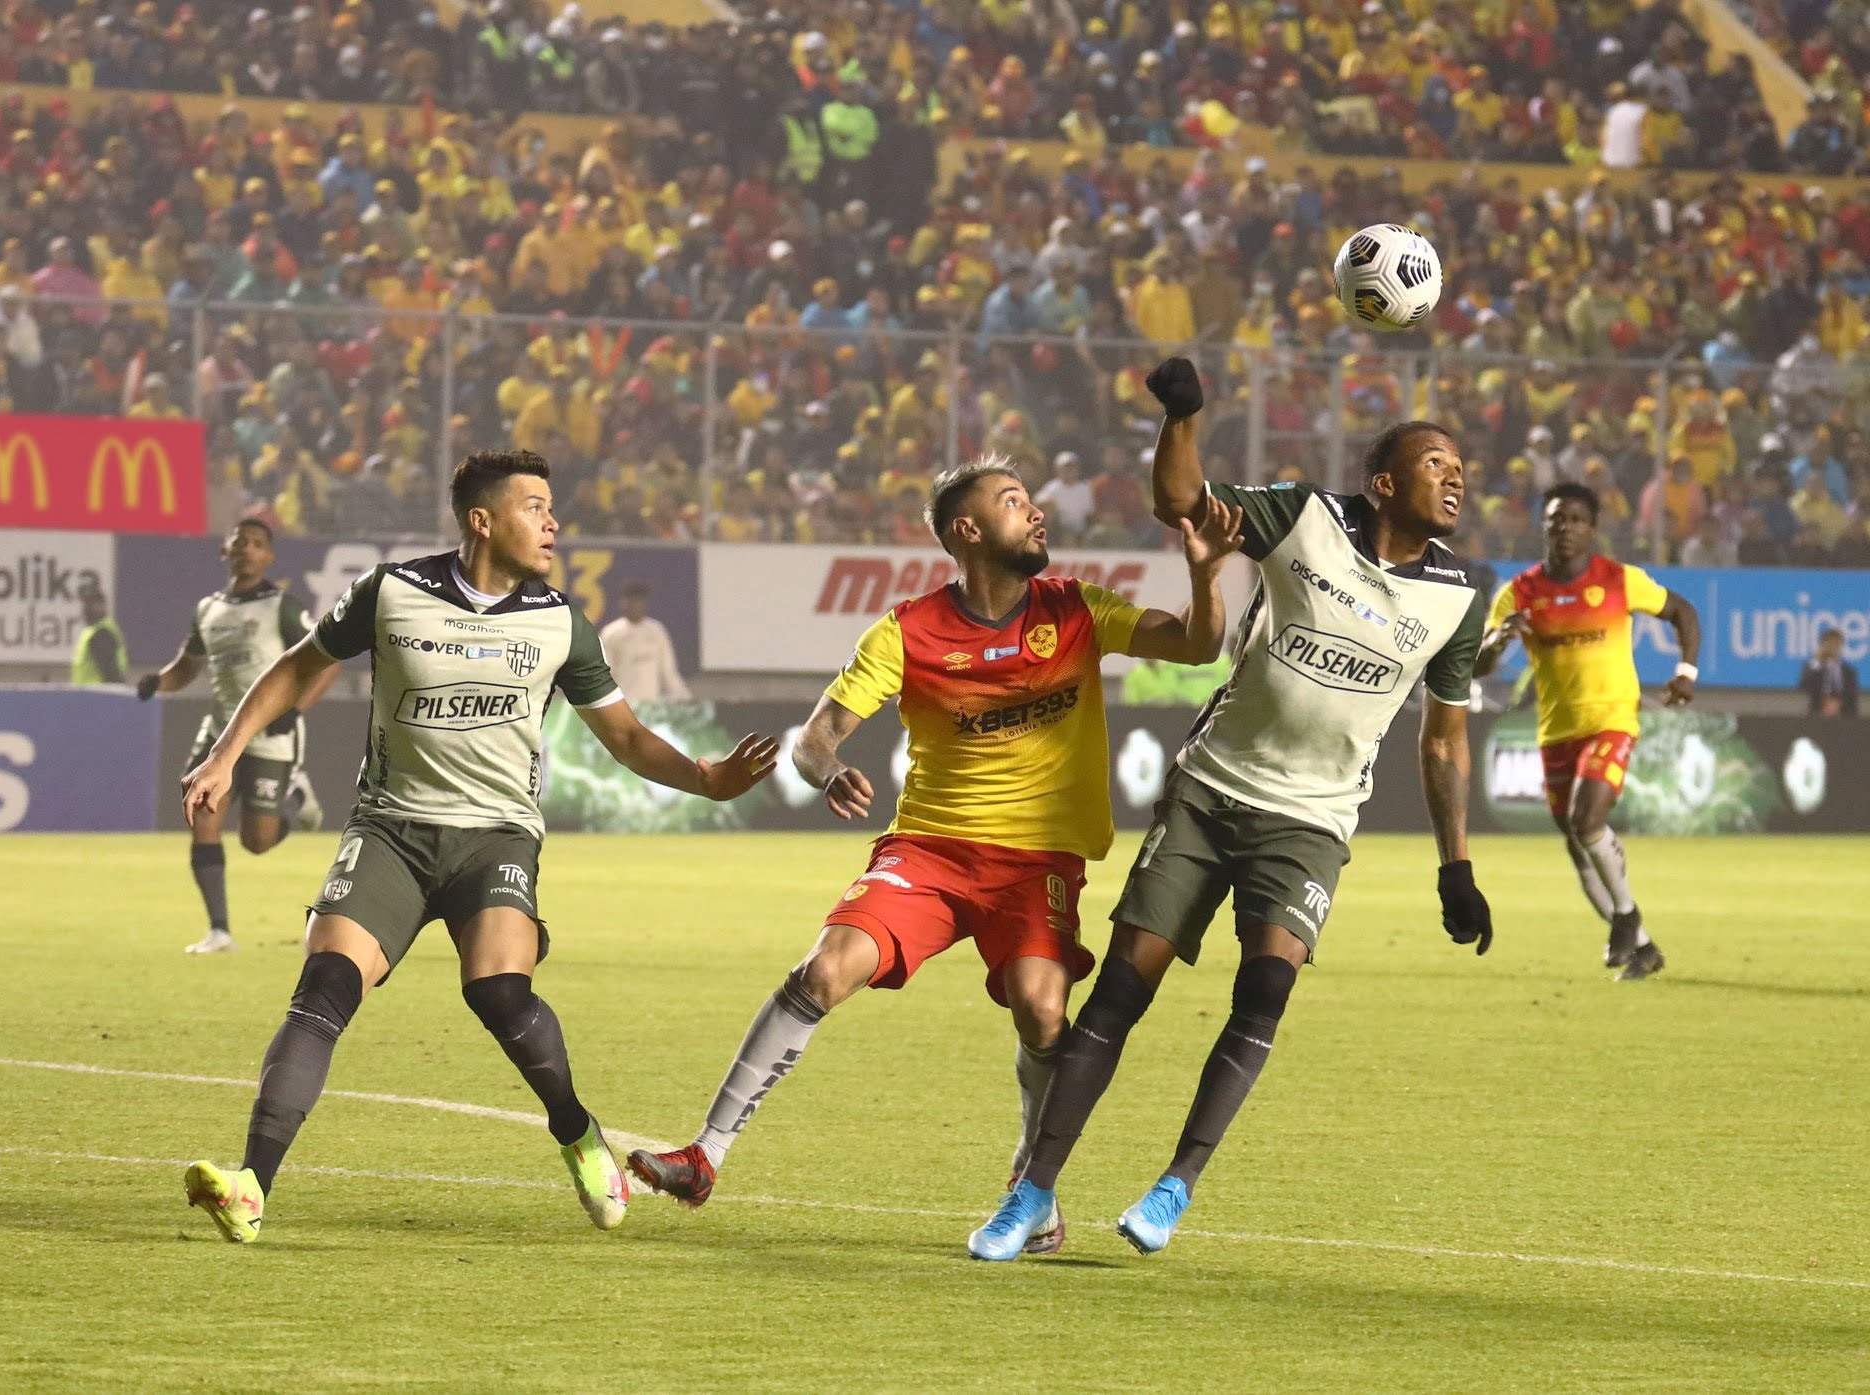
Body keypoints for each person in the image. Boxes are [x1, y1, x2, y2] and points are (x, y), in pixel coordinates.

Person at [627, 451, 1232, 1253]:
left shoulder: (1075, 607)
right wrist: (830, 769)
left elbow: (1198, 644)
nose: (1038, 511)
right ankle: (707, 1153)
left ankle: (1031, 1188)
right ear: (969, 530)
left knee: (1044, 1010)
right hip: (931, 852)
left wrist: (1203, 576)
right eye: (1016, 501)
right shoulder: (908, 630)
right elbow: (815, 740)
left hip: (1038, 862)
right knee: (823, 969)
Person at [968, 358, 1496, 1263]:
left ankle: (1174, 1187)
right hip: (1211, 793)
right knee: (1121, 994)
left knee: (1265, 991)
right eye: (1435, 463)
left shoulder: (1459, 594)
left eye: (1460, 467)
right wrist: (1183, 414)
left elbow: (1443, 738)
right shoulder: (1307, 520)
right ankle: (1032, 1192)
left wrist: (1456, 865)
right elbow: (1183, 500)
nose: (1455, 477)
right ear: (1382, 483)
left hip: (1312, 824)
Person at [178, 450, 778, 1243]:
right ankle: (252, 1185)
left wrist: (707, 778)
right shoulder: (392, 592)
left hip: (495, 835)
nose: (553, 522)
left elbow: (626, 735)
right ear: (482, 519)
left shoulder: (561, 620)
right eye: (535, 506)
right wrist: (224, 753)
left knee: (498, 992)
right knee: (323, 986)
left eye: (551, 506)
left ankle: (577, 1131)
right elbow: (296, 669)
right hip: (390, 830)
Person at [1474, 483, 1701, 979]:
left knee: (1587, 819)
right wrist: (1495, 642)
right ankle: (1642, 946)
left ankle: (1626, 917)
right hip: (1557, 731)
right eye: (1557, 518)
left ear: (1592, 528)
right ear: (1544, 525)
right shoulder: (1518, 593)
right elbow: (1479, 667)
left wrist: (1686, 671)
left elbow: (1684, 612)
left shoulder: (1618, 580)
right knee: (1578, 844)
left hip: (1612, 718)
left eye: (1577, 519)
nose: (1566, 527)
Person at [136, 519, 335, 955]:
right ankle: (219, 931)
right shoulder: (208, 609)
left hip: (271, 735)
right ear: (224, 551)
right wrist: (158, 683)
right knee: (202, 817)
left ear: (269, 557)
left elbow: (329, 660)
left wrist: (296, 710)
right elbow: (187, 666)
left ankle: (297, 799)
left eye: (257, 544)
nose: (246, 549)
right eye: (239, 541)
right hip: (220, 734)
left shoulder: (282, 606)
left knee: (257, 842)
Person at [597, 581, 689, 702]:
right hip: (624, 705)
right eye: (631, 600)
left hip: (651, 706)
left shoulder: (657, 631)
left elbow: (668, 671)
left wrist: (684, 696)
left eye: (639, 600)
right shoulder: (611, 633)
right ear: (623, 603)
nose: (635, 605)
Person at [70, 581, 127, 684]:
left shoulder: (101, 634)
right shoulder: (91, 632)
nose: (86, 609)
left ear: (102, 606)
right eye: (85, 604)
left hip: (97, 696)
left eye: (91, 605)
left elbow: (111, 674)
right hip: (88, 696)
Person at [1800, 628, 1859, 717]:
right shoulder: (1814, 667)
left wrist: (1838, 705)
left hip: (1844, 717)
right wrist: (1817, 660)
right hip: (1817, 715)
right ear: (1823, 645)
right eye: (1830, 644)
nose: (1834, 648)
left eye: (1837, 644)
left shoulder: (1849, 672)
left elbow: (1853, 698)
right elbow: (1803, 686)